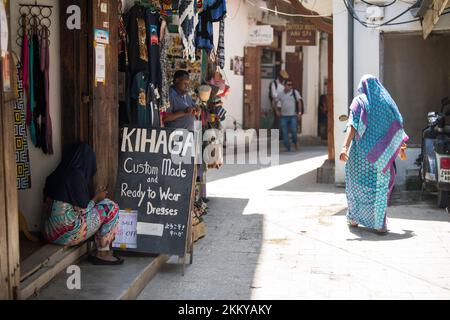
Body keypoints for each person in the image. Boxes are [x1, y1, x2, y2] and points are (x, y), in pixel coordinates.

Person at [340, 75, 408, 234]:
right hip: (381, 157)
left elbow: (352, 125)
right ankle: (379, 224)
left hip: (359, 156)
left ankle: (354, 218)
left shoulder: (360, 101)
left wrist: (344, 147)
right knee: (379, 190)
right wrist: (400, 147)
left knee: (355, 186)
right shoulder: (387, 103)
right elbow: (397, 124)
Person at [43, 142, 123, 265]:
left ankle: (101, 251)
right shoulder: (76, 175)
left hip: (48, 234)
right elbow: (82, 211)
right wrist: (97, 197)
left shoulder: (55, 174)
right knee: (110, 206)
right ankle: (102, 252)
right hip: (67, 234)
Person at [276, 80, 303, 152]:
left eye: (291, 85)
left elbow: (299, 102)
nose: (290, 86)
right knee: (285, 133)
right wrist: (277, 111)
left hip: (293, 116)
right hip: (283, 116)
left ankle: (295, 142)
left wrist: (299, 113)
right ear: (284, 85)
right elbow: (274, 102)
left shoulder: (294, 92)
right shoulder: (280, 94)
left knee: (294, 131)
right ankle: (287, 147)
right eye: (288, 85)